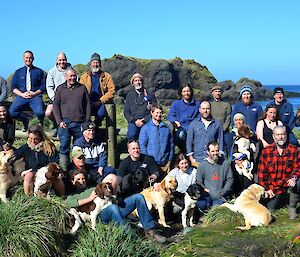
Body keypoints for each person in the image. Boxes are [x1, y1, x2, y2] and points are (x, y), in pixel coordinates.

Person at [65, 171, 167, 243]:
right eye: (78, 179)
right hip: (102, 216)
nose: (82, 181)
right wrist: (89, 198)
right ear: (73, 182)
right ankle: (130, 237)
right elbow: (67, 203)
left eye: (83, 178)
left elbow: (115, 196)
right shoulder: (75, 194)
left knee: (138, 197)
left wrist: (113, 193)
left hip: (115, 206)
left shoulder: (96, 187)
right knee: (113, 208)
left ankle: (151, 232)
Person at [53, 67, 91, 171]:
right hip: (65, 123)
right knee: (64, 147)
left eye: (74, 76)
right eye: (70, 76)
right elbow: (55, 105)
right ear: (66, 77)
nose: (72, 78)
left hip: (80, 123)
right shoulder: (60, 89)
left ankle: (78, 172)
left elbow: (88, 105)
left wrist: (87, 121)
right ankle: (64, 171)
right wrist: (59, 121)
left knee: (78, 149)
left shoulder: (82, 88)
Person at [257, 125, 300, 216]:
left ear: (286, 135)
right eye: (278, 134)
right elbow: (261, 174)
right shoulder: (266, 151)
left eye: (283, 134)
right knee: (270, 209)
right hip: (273, 187)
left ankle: (292, 207)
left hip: (287, 183)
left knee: (299, 181)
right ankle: (283, 199)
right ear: (273, 136)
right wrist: (267, 189)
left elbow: (298, 167)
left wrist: (294, 178)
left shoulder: (294, 150)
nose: (281, 137)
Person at [14, 125, 64, 195]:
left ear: (41, 138)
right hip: (33, 171)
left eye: (35, 139)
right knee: (28, 176)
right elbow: (15, 154)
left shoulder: (49, 147)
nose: (33, 141)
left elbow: (54, 161)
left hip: (47, 171)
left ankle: (62, 196)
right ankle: (28, 198)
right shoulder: (27, 147)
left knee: (57, 179)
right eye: (31, 138)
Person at [9, 50, 46, 130]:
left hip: (35, 96)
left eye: (30, 58)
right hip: (22, 96)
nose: (28, 59)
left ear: (33, 58)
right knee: (11, 112)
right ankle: (25, 119)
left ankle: (39, 127)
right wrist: (22, 94)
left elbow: (43, 86)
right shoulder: (18, 72)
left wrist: (34, 93)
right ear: (23, 58)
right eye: (26, 58)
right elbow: (13, 87)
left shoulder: (39, 71)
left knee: (40, 113)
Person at [196, 141, 233, 211]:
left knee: (216, 207)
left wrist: (223, 191)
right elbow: (199, 181)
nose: (215, 153)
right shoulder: (202, 165)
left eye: (217, 151)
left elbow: (230, 179)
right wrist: (206, 190)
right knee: (201, 204)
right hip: (207, 195)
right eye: (212, 151)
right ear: (208, 152)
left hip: (221, 195)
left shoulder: (225, 163)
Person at [80, 53, 115, 126]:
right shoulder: (84, 77)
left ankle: (96, 127)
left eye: (97, 62)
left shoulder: (107, 76)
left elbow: (112, 91)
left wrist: (101, 100)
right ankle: (86, 130)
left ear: (100, 64)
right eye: (94, 62)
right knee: (82, 114)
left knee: (101, 114)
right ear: (90, 64)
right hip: (88, 102)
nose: (95, 64)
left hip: (101, 102)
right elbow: (80, 91)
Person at [229, 113, 258, 196]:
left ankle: (249, 198)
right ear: (234, 122)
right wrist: (236, 160)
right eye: (236, 120)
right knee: (238, 182)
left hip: (248, 162)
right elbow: (229, 150)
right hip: (235, 162)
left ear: (244, 121)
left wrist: (245, 157)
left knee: (247, 182)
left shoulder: (250, 134)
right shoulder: (231, 135)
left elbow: (253, 149)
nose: (238, 122)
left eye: (240, 119)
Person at [139, 104, 174, 173]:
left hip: (165, 163)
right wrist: (147, 160)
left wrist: (169, 159)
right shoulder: (145, 128)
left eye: (160, 112)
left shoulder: (167, 128)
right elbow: (142, 146)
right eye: (157, 112)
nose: (159, 114)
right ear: (151, 113)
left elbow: (171, 145)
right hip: (151, 163)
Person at [186, 101, 223, 166]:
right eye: (203, 109)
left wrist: (219, 155)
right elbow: (189, 141)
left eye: (207, 108)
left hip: (212, 159)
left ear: (210, 109)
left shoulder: (217, 124)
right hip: (197, 159)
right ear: (200, 110)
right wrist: (191, 158)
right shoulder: (194, 124)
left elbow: (221, 140)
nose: (205, 111)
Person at [167, 83, 200, 151]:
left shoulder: (196, 104)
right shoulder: (176, 103)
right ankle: (184, 152)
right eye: (184, 91)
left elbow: (199, 117)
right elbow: (170, 116)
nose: (186, 93)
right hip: (181, 128)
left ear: (191, 92)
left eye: (188, 91)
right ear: (181, 93)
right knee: (181, 135)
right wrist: (175, 121)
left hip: (193, 128)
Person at [124, 73, 157, 140]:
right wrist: (134, 121)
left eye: (139, 80)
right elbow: (126, 112)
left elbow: (155, 110)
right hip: (134, 121)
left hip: (146, 121)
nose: (138, 82)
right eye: (135, 81)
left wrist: (144, 120)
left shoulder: (149, 94)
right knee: (131, 135)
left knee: (149, 135)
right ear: (133, 83)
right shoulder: (130, 95)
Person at [46, 52, 71, 136]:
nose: (62, 62)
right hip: (55, 98)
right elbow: (49, 87)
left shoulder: (71, 70)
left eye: (63, 60)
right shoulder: (52, 72)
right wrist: (54, 98)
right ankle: (55, 124)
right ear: (57, 61)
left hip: (68, 98)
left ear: (66, 60)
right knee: (48, 113)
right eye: (60, 60)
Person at [210, 84, 232, 155]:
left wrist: (222, 130)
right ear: (212, 93)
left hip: (224, 131)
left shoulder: (226, 105)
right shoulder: (209, 104)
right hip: (213, 130)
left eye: (219, 91)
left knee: (229, 144)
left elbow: (228, 118)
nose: (217, 93)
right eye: (215, 91)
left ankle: (230, 160)